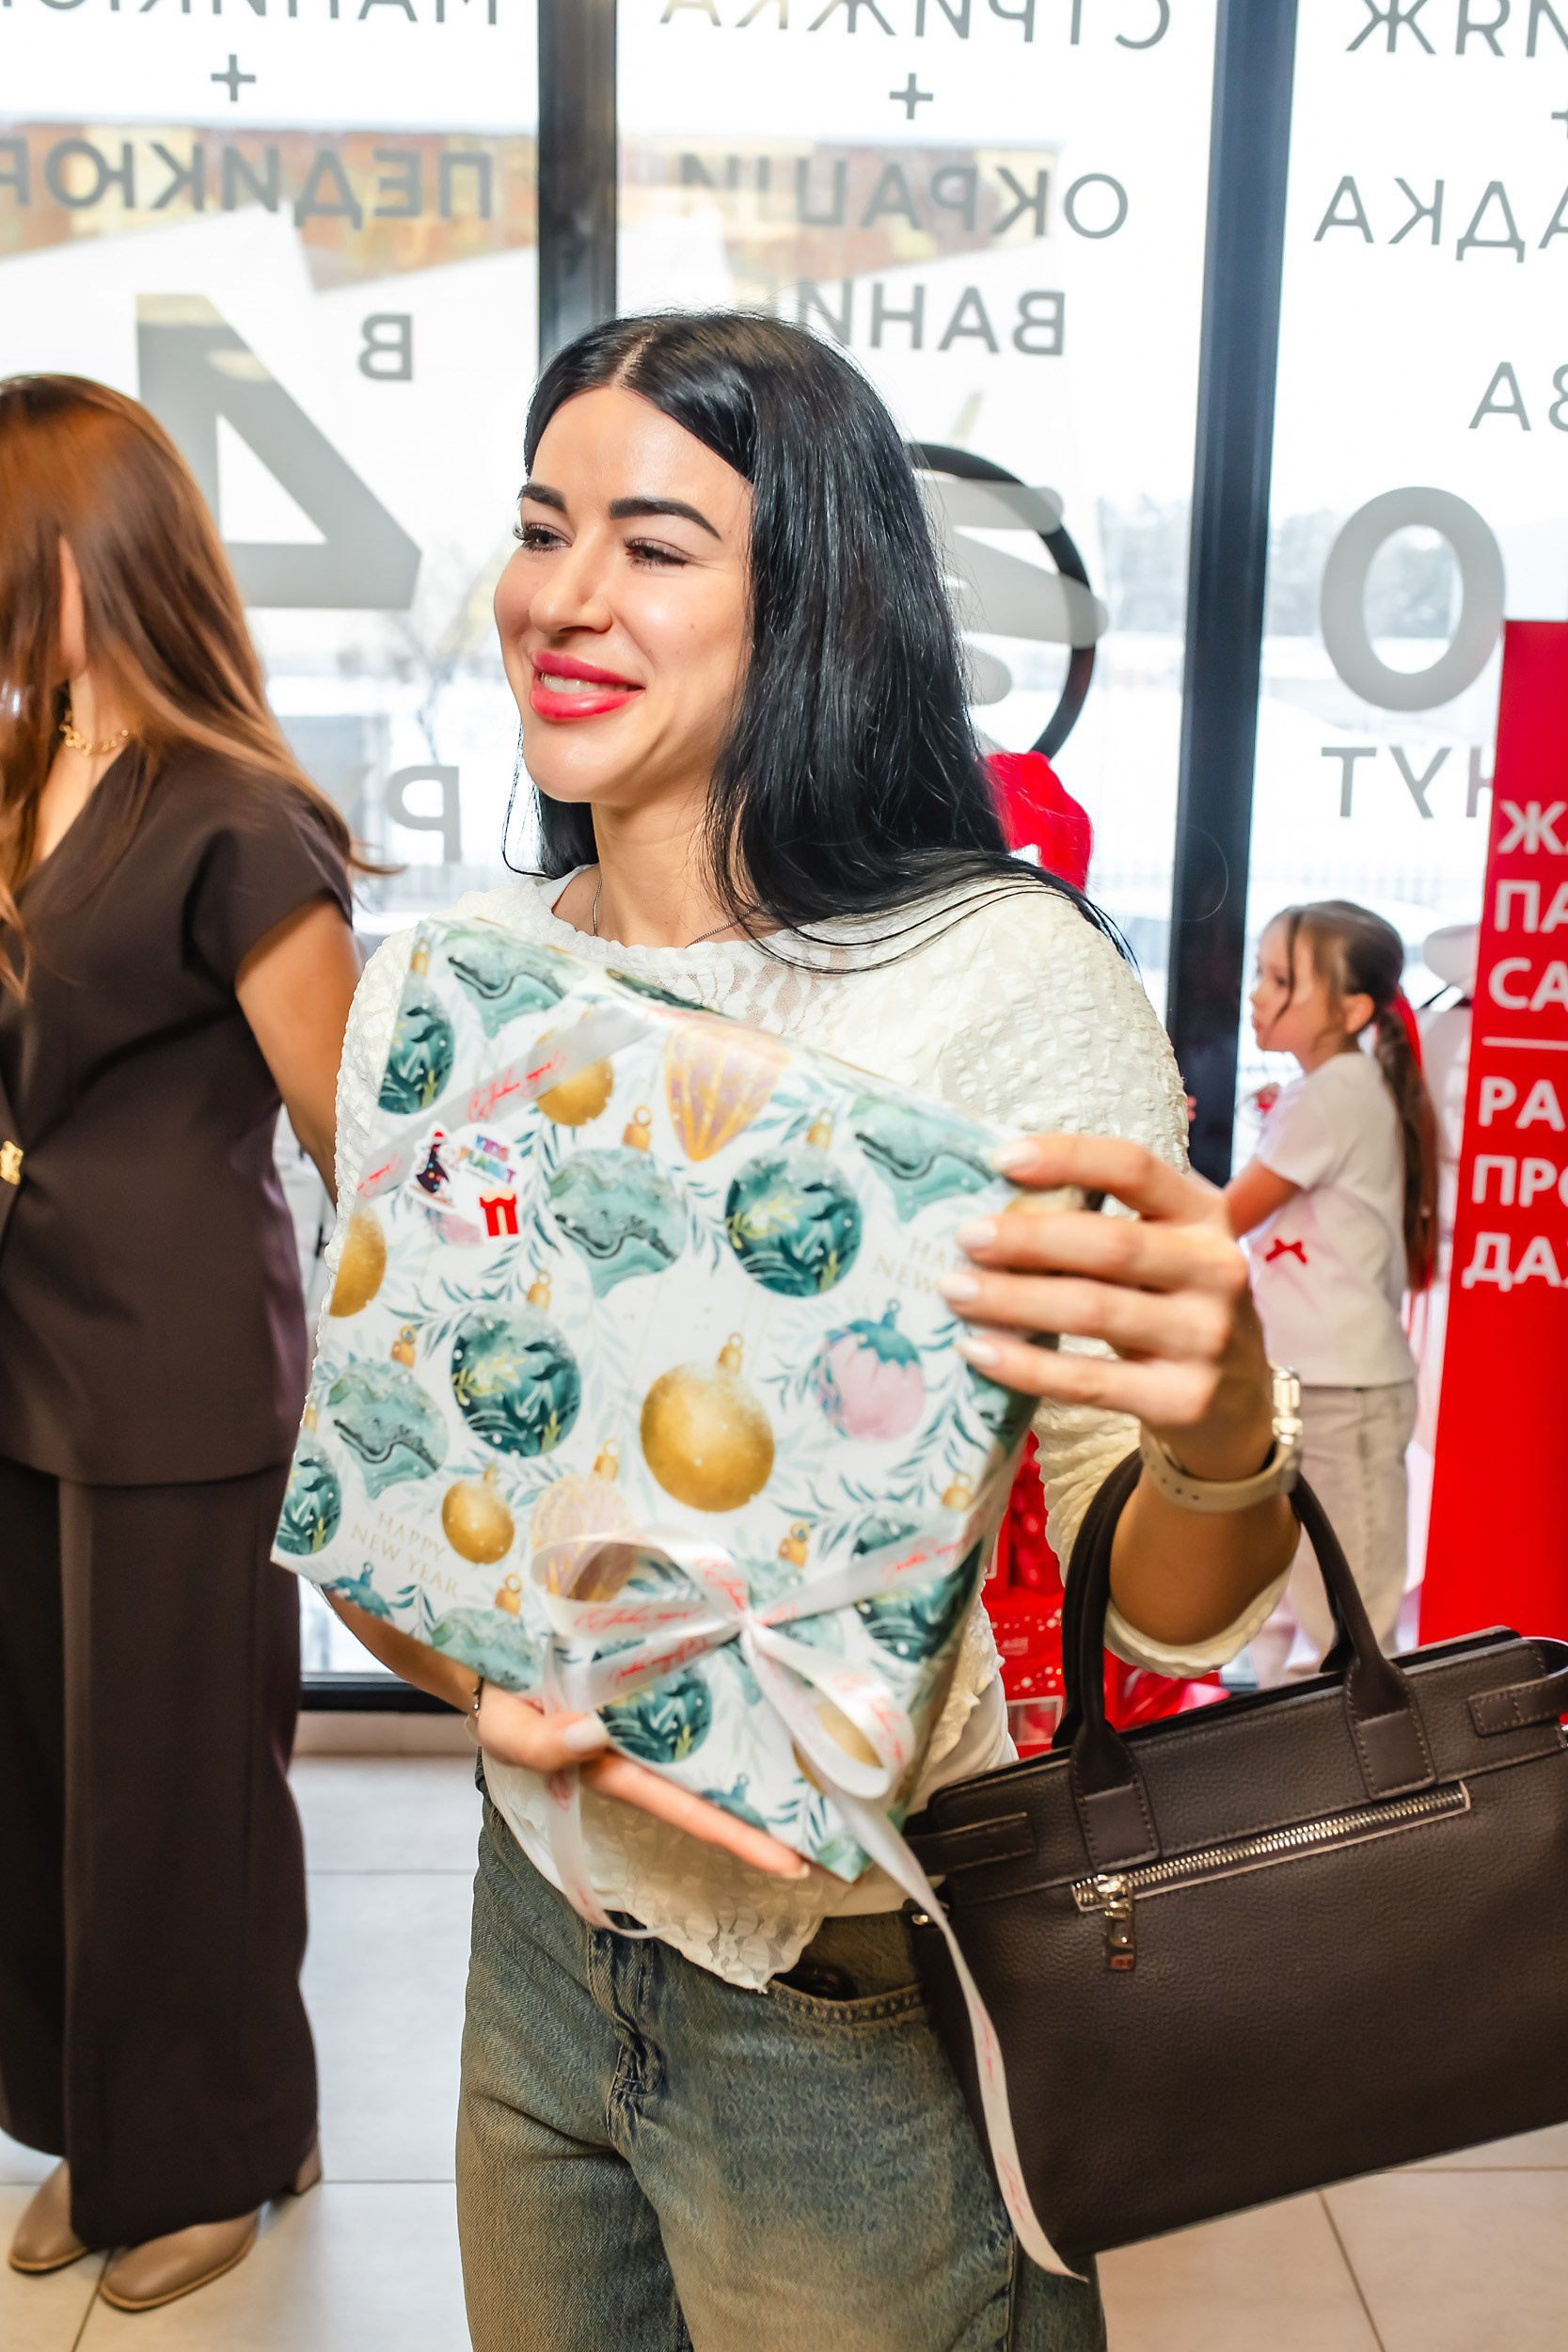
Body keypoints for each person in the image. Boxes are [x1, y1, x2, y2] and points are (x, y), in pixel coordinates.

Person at [321, 312, 1299, 2352]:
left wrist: (1219, 1433)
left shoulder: (999, 990)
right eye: (540, 527)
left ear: (811, 600)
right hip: (536, 1944)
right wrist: (501, 1679)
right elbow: (395, 1527)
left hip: (850, 2003)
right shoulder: (459, 987)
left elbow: (1154, 1612)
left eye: (653, 543)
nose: (563, 596)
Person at [0, 378, 364, 2311]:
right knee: (51, 1777)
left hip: (181, 1366)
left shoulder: (239, 817)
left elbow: (350, 1127)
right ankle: (111, 2120)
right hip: (31, 1349)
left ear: (91, 558)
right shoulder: (26, 770)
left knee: (180, 1785)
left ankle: (222, 2142)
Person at [1226, 899, 1438, 1683]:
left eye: (1281, 980)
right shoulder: (1336, 1088)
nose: (1256, 995)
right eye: (1260, 974)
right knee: (1316, 1615)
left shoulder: (1329, 1094)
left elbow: (1222, 1220)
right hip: (1315, 1382)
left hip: (1338, 1391)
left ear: (1350, 1010)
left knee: (1348, 1635)